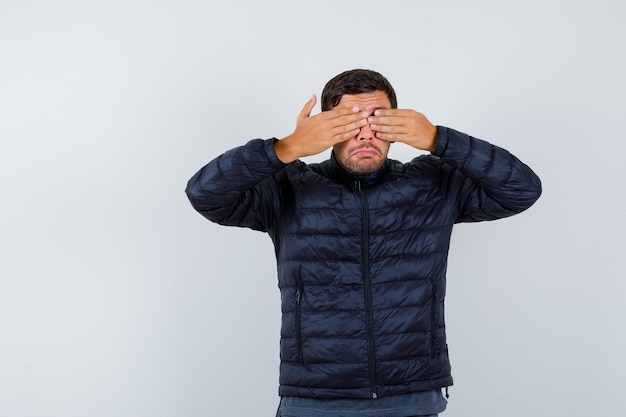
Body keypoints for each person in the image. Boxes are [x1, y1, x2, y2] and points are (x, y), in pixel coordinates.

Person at [185, 69, 542, 417]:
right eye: (348, 122)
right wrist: (287, 147)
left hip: (412, 395)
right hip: (314, 398)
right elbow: (205, 194)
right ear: (326, 129)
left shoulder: (432, 183)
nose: (365, 134)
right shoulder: (288, 185)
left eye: (379, 121)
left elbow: (522, 189)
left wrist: (438, 139)